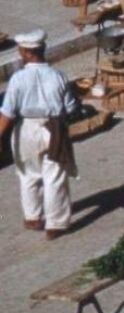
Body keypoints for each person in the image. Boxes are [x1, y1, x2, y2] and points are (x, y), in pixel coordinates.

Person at [0, 30, 79, 237]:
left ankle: (33, 217)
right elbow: (70, 108)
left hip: (26, 129)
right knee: (54, 176)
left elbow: (7, 113)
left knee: (28, 174)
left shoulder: (17, 79)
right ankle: (56, 224)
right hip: (54, 129)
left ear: (26, 53)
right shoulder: (58, 76)